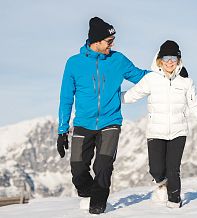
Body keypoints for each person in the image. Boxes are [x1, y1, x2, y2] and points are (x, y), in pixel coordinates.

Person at [56, 17, 150, 214]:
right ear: (96, 41)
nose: (112, 44)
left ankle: (98, 205)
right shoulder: (74, 63)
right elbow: (66, 97)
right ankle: (89, 193)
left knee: (104, 166)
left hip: (110, 122)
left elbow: (140, 76)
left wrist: (167, 73)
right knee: (78, 169)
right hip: (83, 123)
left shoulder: (118, 60)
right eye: (109, 40)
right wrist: (62, 129)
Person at [121, 40, 197, 208]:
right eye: (166, 58)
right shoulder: (150, 79)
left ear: (178, 60)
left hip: (178, 131)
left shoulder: (186, 82)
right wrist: (106, 97)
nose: (169, 62)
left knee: (173, 169)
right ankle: (161, 185)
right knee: (157, 170)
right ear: (159, 60)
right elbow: (130, 96)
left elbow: (196, 106)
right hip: (155, 132)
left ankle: (174, 203)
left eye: (173, 58)